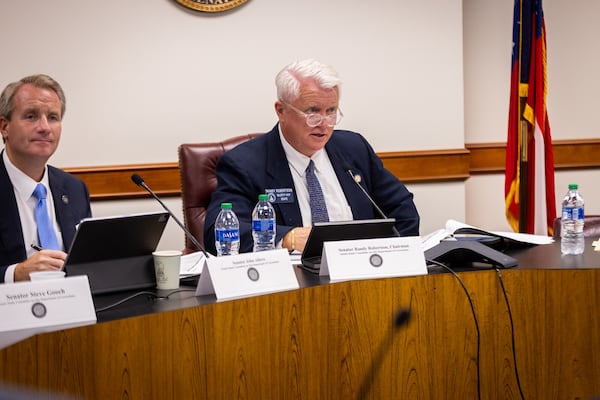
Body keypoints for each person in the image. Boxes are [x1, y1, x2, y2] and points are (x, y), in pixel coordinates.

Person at [203, 59, 419, 254]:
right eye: (313, 112)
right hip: (291, 285)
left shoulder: (354, 148)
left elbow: (403, 211)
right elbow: (217, 232)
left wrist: (391, 257)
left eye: (331, 111)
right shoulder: (245, 164)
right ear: (281, 111)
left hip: (362, 276)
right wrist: (287, 238)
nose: (324, 124)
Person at [0, 74, 91, 282]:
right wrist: (14, 274)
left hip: (73, 306)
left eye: (52, 117)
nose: (44, 127)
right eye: (31, 116)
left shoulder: (75, 189)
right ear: (4, 127)